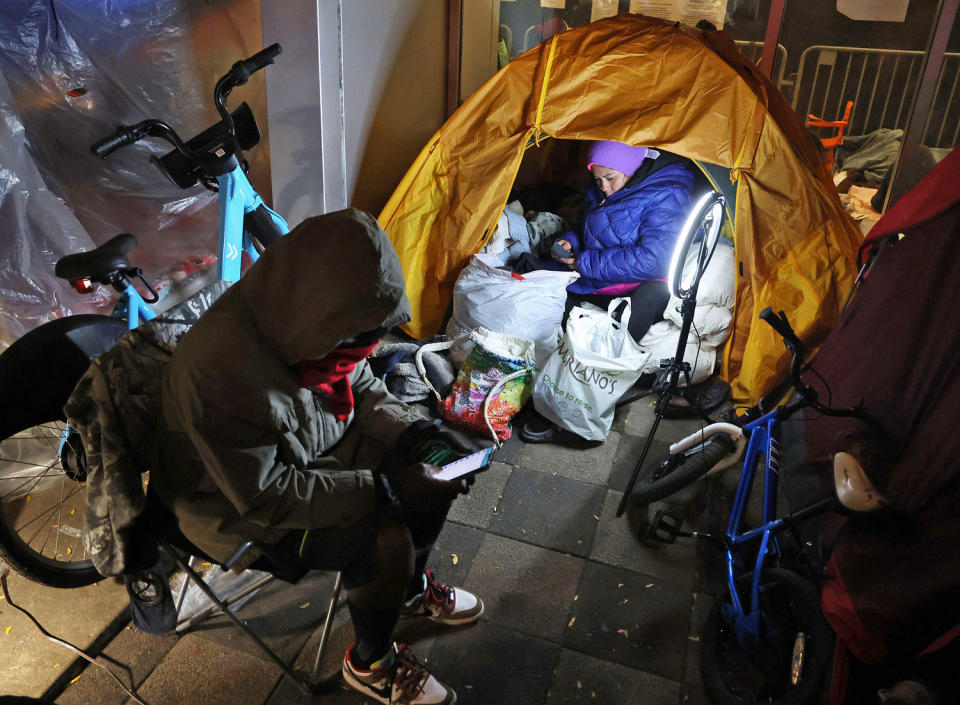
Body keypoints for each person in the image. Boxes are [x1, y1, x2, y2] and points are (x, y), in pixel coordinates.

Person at [153, 208, 486, 705]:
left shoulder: (311, 318)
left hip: (312, 446)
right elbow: (265, 497)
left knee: (433, 472)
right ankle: (371, 664)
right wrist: (388, 489)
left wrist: (418, 433)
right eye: (350, 351)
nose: (352, 361)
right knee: (384, 536)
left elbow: (361, 385)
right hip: (231, 505)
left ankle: (410, 591)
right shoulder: (217, 374)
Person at [521, 140, 695, 442]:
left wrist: (583, 261)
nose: (602, 186)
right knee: (535, 302)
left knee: (594, 336)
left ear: (630, 169)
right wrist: (571, 242)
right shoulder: (605, 186)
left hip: (634, 284)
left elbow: (654, 260)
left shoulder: (666, 193)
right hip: (595, 274)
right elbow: (591, 227)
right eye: (597, 179)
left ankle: (571, 410)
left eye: (609, 178)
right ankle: (539, 392)